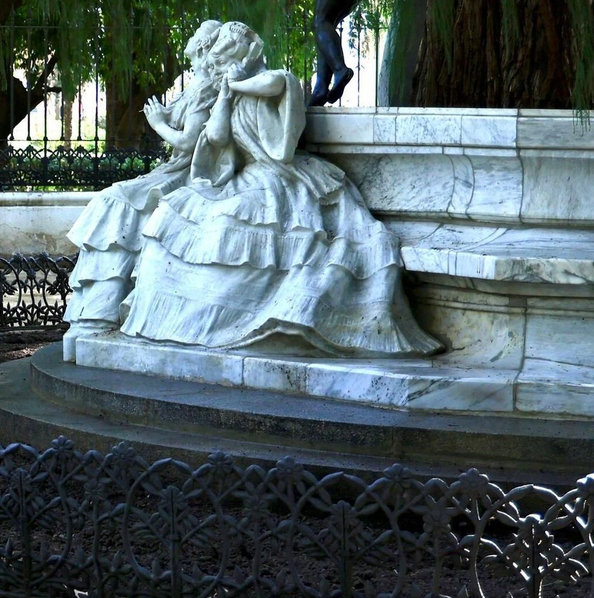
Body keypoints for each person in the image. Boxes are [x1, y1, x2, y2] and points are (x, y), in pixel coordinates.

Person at [117, 21, 439, 357]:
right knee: (179, 214)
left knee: (235, 221)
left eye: (232, 59)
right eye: (223, 63)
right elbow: (216, 138)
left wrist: (240, 83)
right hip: (249, 179)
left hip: (281, 179)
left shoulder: (278, 80)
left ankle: (267, 317)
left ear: (248, 56)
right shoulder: (230, 95)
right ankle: (184, 319)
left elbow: (275, 86)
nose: (227, 68)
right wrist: (224, 97)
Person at [62, 21, 222, 361]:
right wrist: (166, 114)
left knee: (116, 202)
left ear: (205, 50)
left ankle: (99, 311)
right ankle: (96, 309)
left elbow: (189, 142)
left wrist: (158, 124)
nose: (190, 52)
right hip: (170, 169)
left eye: (195, 48)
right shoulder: (196, 87)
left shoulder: (207, 89)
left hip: (187, 173)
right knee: (113, 199)